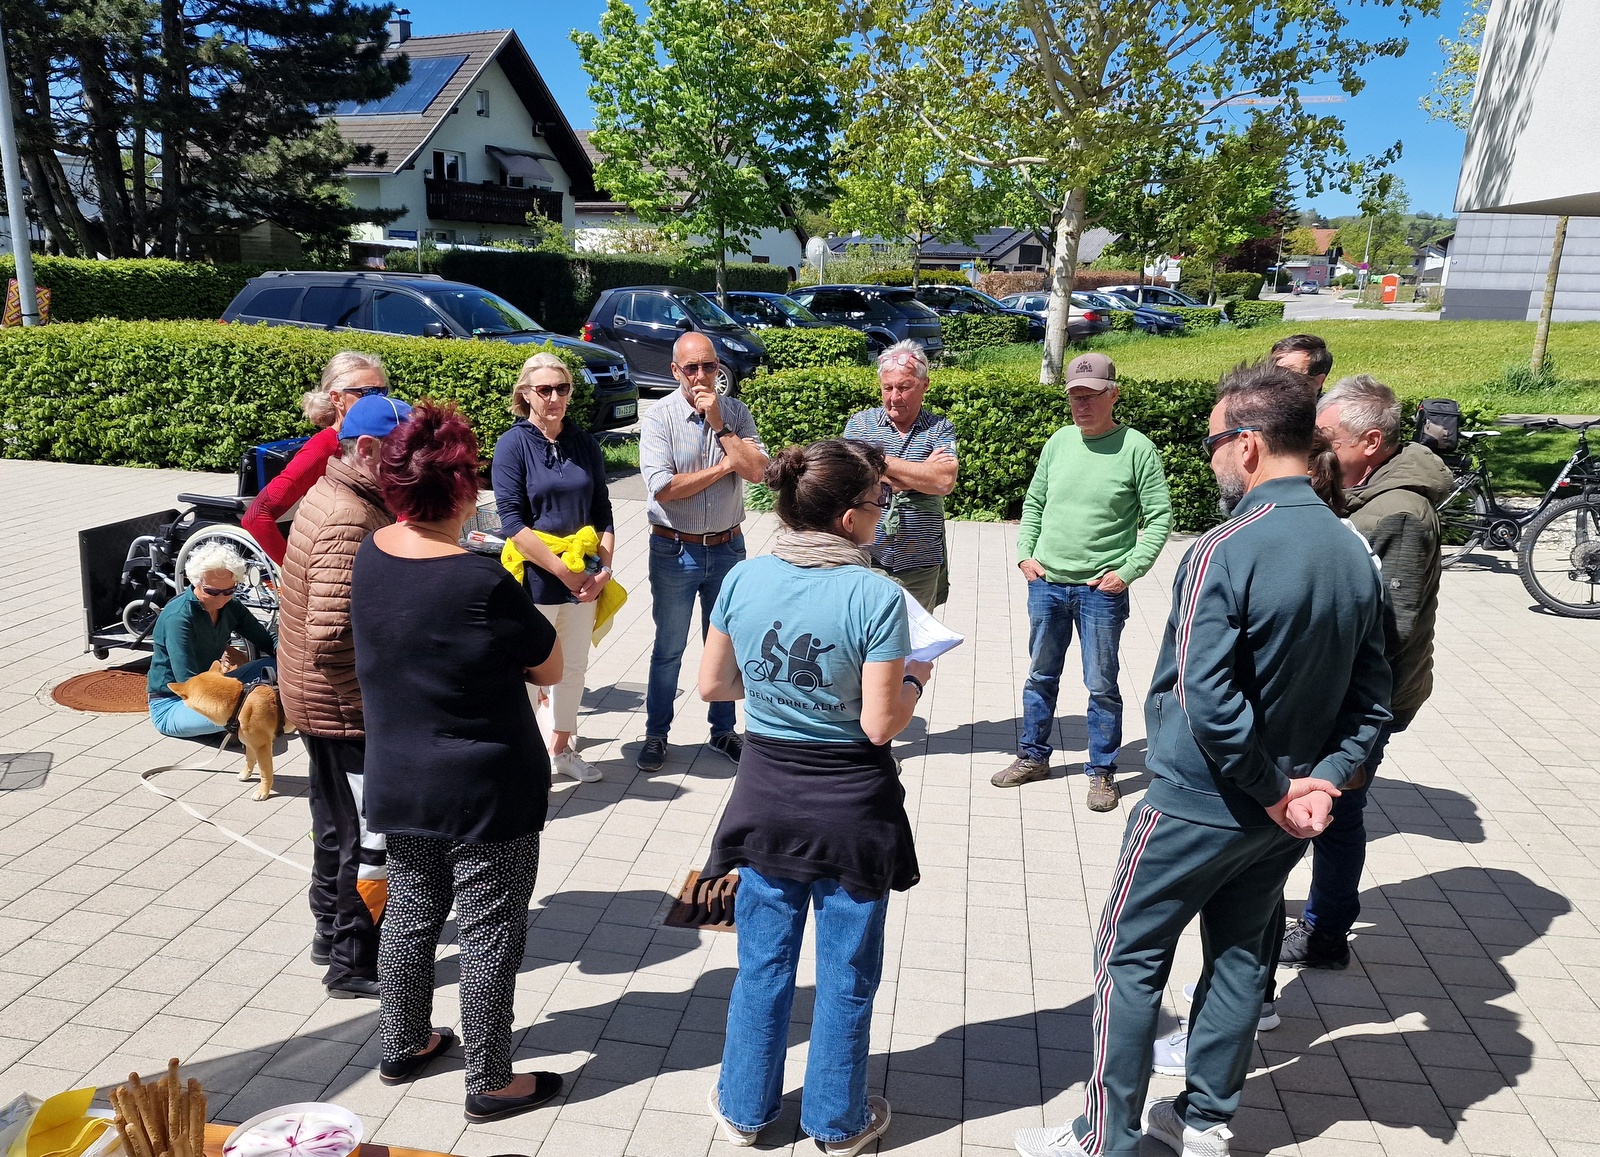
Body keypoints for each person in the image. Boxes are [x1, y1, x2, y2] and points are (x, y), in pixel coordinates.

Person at [1014, 362, 1391, 1157]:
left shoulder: (1224, 546)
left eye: (1215, 441)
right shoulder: (1352, 546)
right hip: (1283, 813)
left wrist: (1277, 786)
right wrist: (1322, 781)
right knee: (1243, 955)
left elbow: (1203, 697)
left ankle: (1105, 1135)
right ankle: (1204, 1122)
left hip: (1200, 802)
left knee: (1129, 958)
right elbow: (1372, 697)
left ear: (1248, 445)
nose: (1211, 456)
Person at [698, 439, 932, 1157]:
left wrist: (779, 693)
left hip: (764, 796)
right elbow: (880, 723)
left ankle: (744, 1108)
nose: (882, 514)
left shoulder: (745, 576)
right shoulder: (876, 595)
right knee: (846, 974)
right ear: (847, 517)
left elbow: (713, 685)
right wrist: (917, 676)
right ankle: (836, 1122)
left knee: (762, 963)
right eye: (879, 504)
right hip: (851, 807)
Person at [350, 401, 567, 1123]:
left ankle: (404, 1041)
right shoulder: (481, 579)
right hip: (485, 783)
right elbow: (550, 665)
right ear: (463, 489)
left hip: (400, 771)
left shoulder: (372, 553)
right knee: (489, 928)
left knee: (411, 910)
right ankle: (490, 1078)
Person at [1288, 373, 1451, 966]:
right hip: (1345, 693)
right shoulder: (1365, 494)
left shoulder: (1399, 511)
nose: (1316, 446)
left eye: (1327, 438)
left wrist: (1357, 725)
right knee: (1336, 810)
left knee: (1338, 811)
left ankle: (1326, 933)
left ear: (1372, 442)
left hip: (1364, 701)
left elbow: (1393, 631)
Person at [277, 393, 413, 1000]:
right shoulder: (349, 519)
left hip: (319, 700)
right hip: (342, 706)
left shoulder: (339, 495)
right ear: (366, 449)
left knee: (334, 824)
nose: (412, 467)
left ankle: (330, 931)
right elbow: (333, 638)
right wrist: (373, 707)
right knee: (368, 837)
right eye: (402, 455)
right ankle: (354, 962)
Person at [994, 352, 1172, 811]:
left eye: (1091, 396)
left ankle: (1103, 771)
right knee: (1040, 676)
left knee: (1101, 685)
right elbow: (1034, 503)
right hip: (1047, 583)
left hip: (1100, 592)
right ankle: (1033, 757)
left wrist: (1128, 572)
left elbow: (1159, 519)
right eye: (1075, 396)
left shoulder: (1137, 448)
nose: (1082, 405)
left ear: (1114, 395)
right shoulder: (1059, 442)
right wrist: (1025, 555)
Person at [636, 331, 768, 772]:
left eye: (708, 366)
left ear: (717, 368)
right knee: (669, 648)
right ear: (675, 370)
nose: (700, 376)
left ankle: (723, 732)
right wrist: (725, 465)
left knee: (725, 646)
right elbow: (663, 487)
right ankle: (656, 735)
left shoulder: (736, 413)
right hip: (675, 549)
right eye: (690, 368)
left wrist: (720, 426)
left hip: (728, 547)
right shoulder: (659, 417)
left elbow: (758, 472)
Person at [493, 353, 616, 784]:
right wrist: (564, 573)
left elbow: (603, 511)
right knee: (530, 670)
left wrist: (603, 572)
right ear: (525, 394)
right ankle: (523, 760)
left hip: (585, 576)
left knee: (574, 667)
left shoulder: (584, 443)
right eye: (544, 389)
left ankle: (562, 750)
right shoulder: (513, 444)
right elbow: (512, 523)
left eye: (562, 388)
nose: (554, 398)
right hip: (535, 579)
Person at [841, 340, 959, 611]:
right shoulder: (860, 424)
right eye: (887, 388)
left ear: (924, 385)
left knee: (917, 636)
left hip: (921, 563)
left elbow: (943, 481)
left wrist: (878, 462)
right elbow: (852, 479)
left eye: (904, 388)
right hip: (868, 558)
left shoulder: (940, 428)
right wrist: (921, 474)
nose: (894, 397)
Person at [243, 352, 392, 564]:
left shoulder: (385, 437)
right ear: (337, 399)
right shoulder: (323, 447)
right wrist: (292, 569)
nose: (379, 401)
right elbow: (257, 515)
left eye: (382, 392)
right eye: (368, 393)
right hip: (342, 561)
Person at [147, 542, 277, 738]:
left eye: (229, 591)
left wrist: (293, 659)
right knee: (246, 710)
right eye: (212, 592)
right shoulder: (178, 618)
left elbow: (266, 640)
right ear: (195, 582)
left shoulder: (231, 606)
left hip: (214, 687)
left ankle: (238, 724)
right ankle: (241, 722)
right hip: (174, 703)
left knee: (280, 666)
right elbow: (189, 683)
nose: (221, 599)